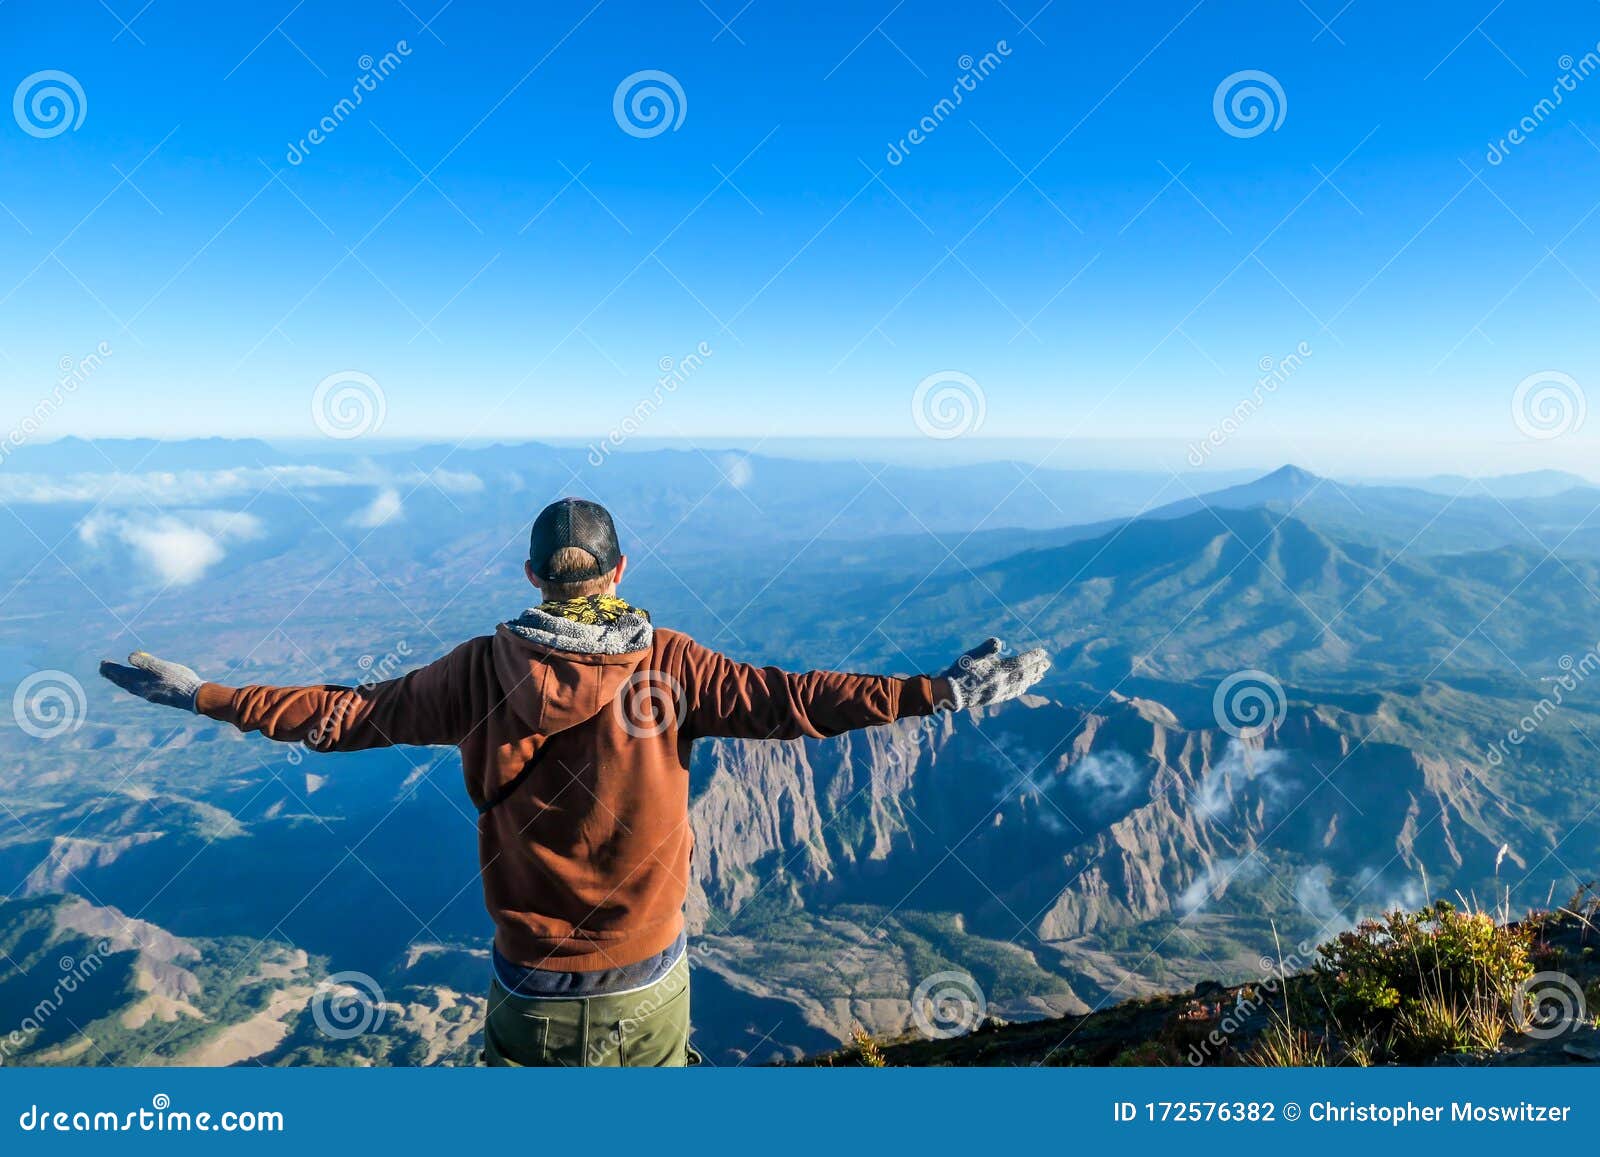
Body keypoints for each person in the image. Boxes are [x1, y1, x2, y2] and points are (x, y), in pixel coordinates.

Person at [100, 497, 1051, 1067]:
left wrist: (207, 695)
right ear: (621, 570)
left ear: (529, 575)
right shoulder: (673, 665)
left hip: (533, 982)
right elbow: (798, 700)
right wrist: (938, 692)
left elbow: (347, 716)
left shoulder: (477, 671)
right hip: (649, 974)